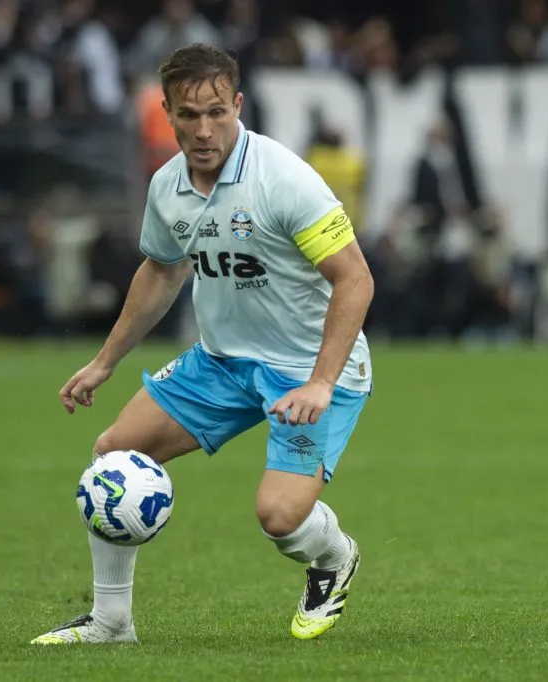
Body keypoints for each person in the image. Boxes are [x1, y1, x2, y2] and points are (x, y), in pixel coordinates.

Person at [31, 44, 374, 645]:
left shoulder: (284, 179)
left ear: (238, 105)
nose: (204, 129)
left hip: (308, 369)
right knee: (113, 455)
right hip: (221, 362)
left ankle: (334, 556)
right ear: (167, 113)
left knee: (280, 519)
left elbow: (355, 279)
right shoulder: (167, 186)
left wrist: (320, 383)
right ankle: (112, 623)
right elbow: (161, 271)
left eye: (217, 112)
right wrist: (104, 362)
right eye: (188, 115)